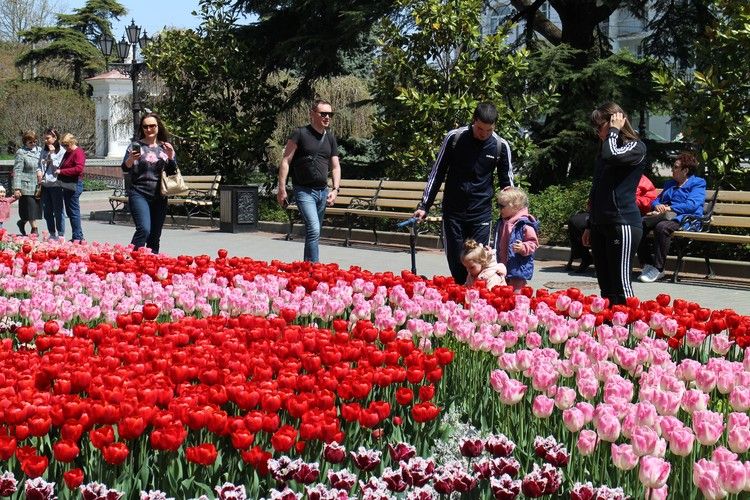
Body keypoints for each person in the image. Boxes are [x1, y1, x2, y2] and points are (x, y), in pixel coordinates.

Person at [412, 102, 514, 284]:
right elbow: (437, 172)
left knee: (479, 261)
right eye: (480, 129)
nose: (484, 134)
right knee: (457, 260)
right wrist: (424, 206)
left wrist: (512, 215)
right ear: (473, 121)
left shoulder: (500, 146)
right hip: (454, 212)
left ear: (495, 126)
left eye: (489, 130)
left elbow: (507, 185)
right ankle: (460, 296)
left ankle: (479, 303)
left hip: (481, 212)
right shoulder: (455, 138)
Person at [583, 102, 647, 306]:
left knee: (621, 285)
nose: (598, 133)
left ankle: (630, 329)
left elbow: (612, 156)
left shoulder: (635, 146)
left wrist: (613, 131)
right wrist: (589, 224)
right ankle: (610, 332)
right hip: (600, 223)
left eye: (600, 127)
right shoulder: (604, 148)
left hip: (623, 223)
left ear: (615, 122)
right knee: (605, 285)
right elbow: (596, 189)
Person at [277, 99, 342, 262]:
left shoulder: (330, 138)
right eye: (323, 114)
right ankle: (314, 267)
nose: (327, 117)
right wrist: (282, 188)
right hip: (304, 191)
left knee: (315, 231)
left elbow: (335, 166)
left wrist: (335, 189)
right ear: (312, 114)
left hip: (323, 192)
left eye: (330, 114)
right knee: (313, 228)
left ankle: (308, 269)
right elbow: (286, 161)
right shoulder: (300, 134)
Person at [566, 174, 657, 272]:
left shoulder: (641, 179)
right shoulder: (608, 176)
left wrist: (629, 200)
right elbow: (594, 198)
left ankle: (610, 265)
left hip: (627, 215)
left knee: (611, 227)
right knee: (575, 221)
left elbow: (650, 199)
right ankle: (586, 258)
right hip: (602, 213)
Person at [637, 152, 706, 283]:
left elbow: (692, 205)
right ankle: (648, 263)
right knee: (638, 225)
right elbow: (656, 200)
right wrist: (658, 207)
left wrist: (669, 208)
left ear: (685, 170)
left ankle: (658, 269)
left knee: (662, 227)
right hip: (666, 216)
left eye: (675, 167)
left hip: (687, 219)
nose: (672, 170)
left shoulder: (698, 183)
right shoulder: (670, 183)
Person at [121, 112, 178, 254]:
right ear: (142, 128)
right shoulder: (135, 146)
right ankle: (131, 258)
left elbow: (172, 171)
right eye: (145, 126)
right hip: (139, 193)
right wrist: (130, 159)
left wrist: (171, 157)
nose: (149, 129)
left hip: (160, 195)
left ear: (158, 127)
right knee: (144, 229)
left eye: (152, 126)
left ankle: (151, 266)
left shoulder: (165, 147)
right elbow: (125, 168)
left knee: (154, 236)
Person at [494, 187, 539, 293]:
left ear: (516, 206)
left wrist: (523, 247)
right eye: (498, 205)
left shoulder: (524, 224)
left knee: (516, 294)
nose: (499, 209)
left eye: (502, 206)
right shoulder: (503, 222)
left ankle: (518, 308)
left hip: (517, 267)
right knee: (501, 294)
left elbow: (533, 243)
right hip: (501, 266)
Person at [37, 128, 67, 240]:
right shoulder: (43, 151)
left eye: (48, 138)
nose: (46, 140)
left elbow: (58, 166)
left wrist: (53, 153)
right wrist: (39, 172)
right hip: (45, 184)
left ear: (55, 138)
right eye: (44, 138)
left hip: (56, 184)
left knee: (58, 210)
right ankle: (52, 233)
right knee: (48, 211)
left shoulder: (62, 151)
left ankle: (61, 234)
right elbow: (39, 165)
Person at [12, 130, 42, 235]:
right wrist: (17, 188)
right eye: (30, 142)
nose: (33, 144)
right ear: (25, 142)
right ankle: (35, 230)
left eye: (35, 141)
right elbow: (17, 170)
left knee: (35, 209)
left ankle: (22, 222)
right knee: (31, 208)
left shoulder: (41, 151)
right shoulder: (21, 152)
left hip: (39, 186)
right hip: (26, 185)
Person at [57, 133, 85, 242]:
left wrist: (62, 171)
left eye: (67, 145)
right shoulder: (68, 153)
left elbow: (78, 169)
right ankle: (78, 236)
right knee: (70, 211)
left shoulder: (78, 152)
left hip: (74, 184)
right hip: (67, 184)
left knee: (73, 211)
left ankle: (77, 237)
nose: (65, 148)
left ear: (72, 142)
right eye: (64, 146)